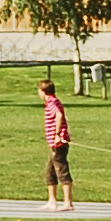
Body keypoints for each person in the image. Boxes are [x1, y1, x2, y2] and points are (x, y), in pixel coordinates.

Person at [39, 77, 74, 212]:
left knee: (62, 171)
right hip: (54, 143)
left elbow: (59, 116)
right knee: (50, 172)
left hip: (58, 143)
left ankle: (68, 203)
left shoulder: (52, 102)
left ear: (43, 92)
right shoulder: (53, 102)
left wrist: (57, 134)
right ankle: (52, 201)